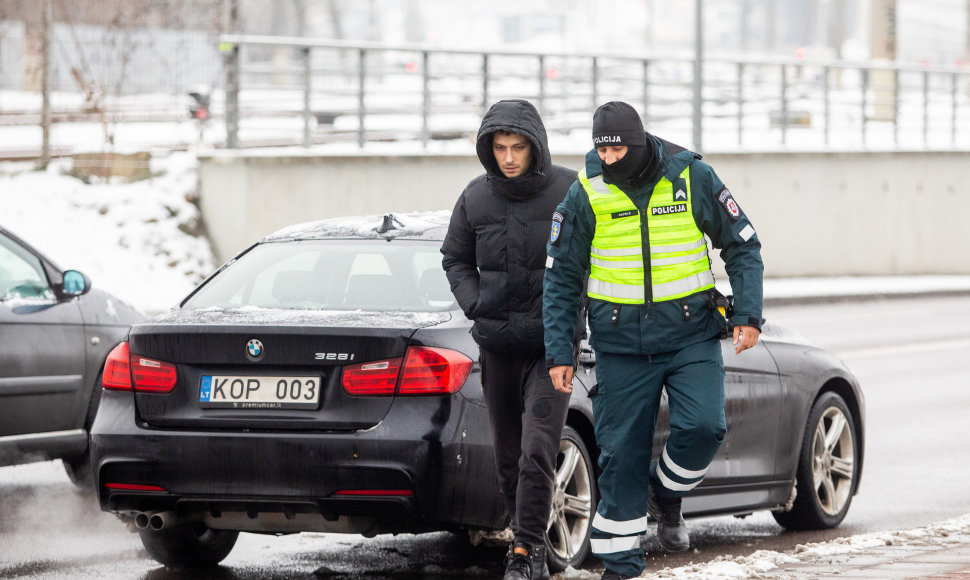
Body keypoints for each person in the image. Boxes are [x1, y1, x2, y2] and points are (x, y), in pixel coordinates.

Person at [542, 101, 764, 580]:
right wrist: (560, 350)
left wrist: (748, 313)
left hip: (691, 336)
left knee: (703, 427)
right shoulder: (586, 192)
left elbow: (743, 244)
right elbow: (561, 278)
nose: (610, 159)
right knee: (619, 458)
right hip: (620, 347)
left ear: (640, 144)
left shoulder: (691, 178)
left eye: (619, 148)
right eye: (603, 149)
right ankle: (621, 570)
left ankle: (666, 493)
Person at [441, 99, 578, 580]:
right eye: (499, 148)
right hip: (497, 347)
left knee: (538, 450)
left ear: (535, 145)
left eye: (518, 146)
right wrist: (476, 302)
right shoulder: (475, 196)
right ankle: (525, 542)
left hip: (550, 349)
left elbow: (593, 259)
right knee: (506, 460)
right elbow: (454, 258)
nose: (509, 157)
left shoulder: (569, 190)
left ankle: (526, 552)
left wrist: (576, 315)